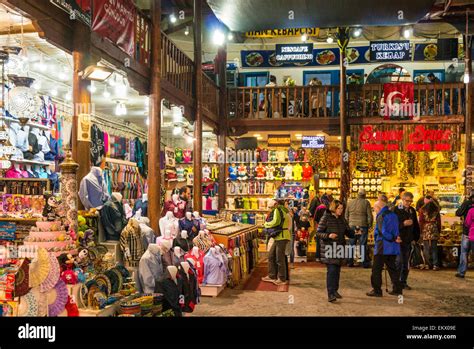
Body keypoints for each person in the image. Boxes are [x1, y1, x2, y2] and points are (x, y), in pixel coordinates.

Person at [316, 200, 358, 302]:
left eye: (342, 208)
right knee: (332, 271)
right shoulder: (326, 218)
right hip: (329, 248)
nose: (341, 210)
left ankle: (335, 291)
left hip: (340, 248)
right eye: (339, 208)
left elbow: (348, 233)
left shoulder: (342, 219)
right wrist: (328, 235)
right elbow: (318, 233)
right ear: (333, 208)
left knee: (337, 271)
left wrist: (356, 233)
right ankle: (331, 294)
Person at [367, 195, 403, 297]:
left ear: (378, 208)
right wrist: (395, 238)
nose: (374, 211)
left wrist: (392, 238)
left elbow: (383, 232)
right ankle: (397, 289)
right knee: (392, 268)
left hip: (383, 246)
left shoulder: (381, 216)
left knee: (376, 269)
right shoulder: (394, 215)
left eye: (374, 209)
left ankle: (377, 290)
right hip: (393, 246)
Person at [394, 192, 420, 290]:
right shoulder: (397, 209)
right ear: (402, 200)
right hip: (399, 240)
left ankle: (403, 281)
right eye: (407, 201)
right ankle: (396, 282)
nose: (408, 203)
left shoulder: (412, 210)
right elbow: (392, 225)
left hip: (408, 240)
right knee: (399, 261)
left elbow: (416, 225)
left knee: (406, 263)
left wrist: (415, 238)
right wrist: (403, 224)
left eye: (410, 201)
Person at [262, 200, 291, 286]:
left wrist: (266, 224)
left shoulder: (278, 210)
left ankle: (282, 279)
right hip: (280, 236)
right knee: (271, 255)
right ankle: (272, 276)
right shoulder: (284, 211)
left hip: (281, 237)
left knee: (279, 258)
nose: (270, 209)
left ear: (276, 204)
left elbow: (276, 222)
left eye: (270, 207)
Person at [345, 189, 373, 268]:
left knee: (351, 244)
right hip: (362, 225)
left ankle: (350, 262)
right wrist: (370, 225)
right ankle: (364, 263)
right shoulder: (366, 202)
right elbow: (369, 216)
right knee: (362, 244)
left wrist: (347, 225)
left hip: (352, 225)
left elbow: (346, 215)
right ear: (365, 195)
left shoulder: (350, 202)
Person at [419, 200, 442, 270]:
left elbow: (421, 221)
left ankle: (428, 264)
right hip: (434, 228)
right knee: (434, 248)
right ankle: (435, 264)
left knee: (426, 247)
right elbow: (439, 222)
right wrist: (439, 231)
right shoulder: (436, 212)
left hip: (425, 229)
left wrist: (420, 231)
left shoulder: (423, 211)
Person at [456, 195, 474, 278]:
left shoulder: (467, 204)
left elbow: (458, 213)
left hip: (468, 233)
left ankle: (462, 272)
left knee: (464, 252)